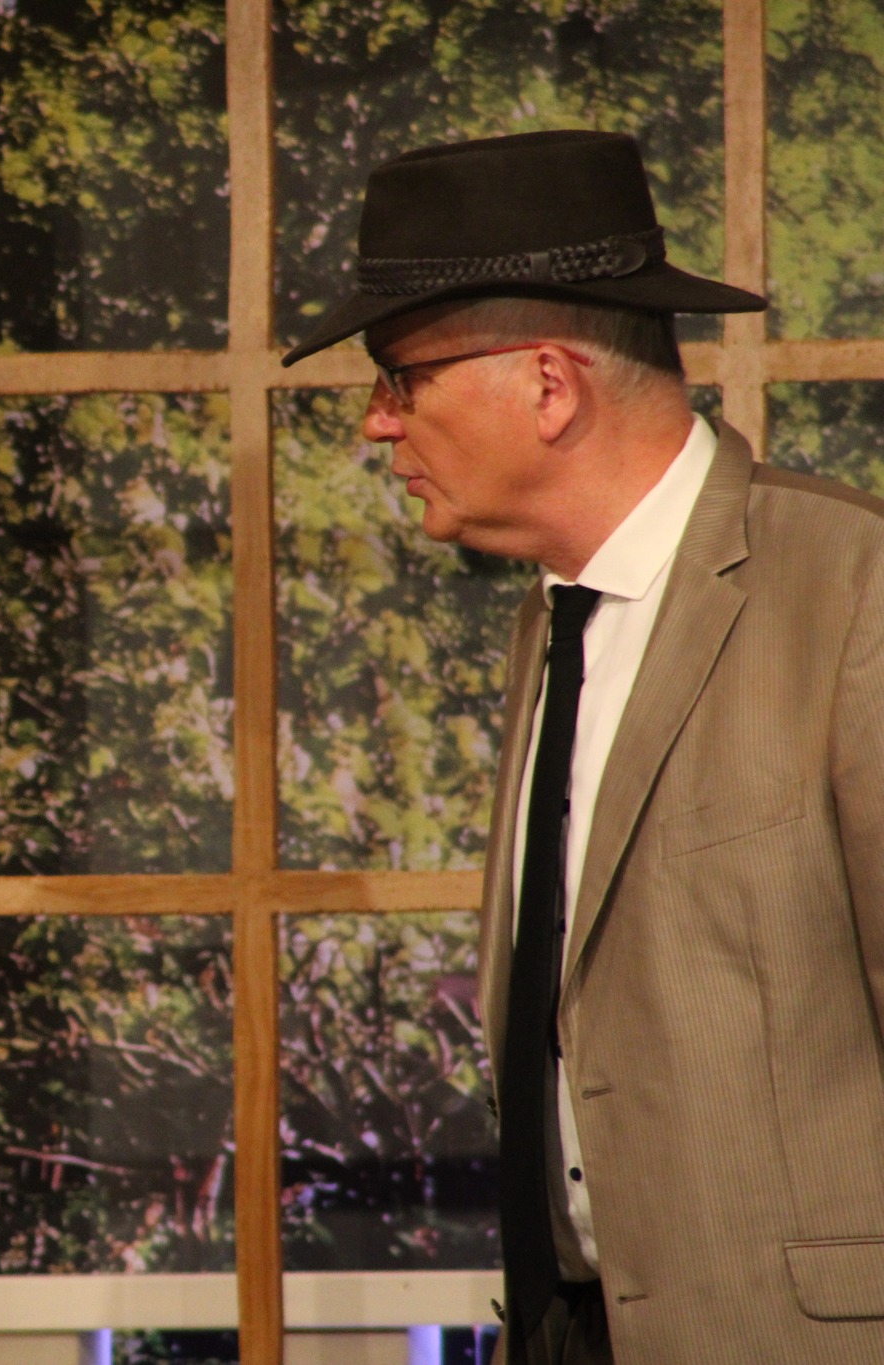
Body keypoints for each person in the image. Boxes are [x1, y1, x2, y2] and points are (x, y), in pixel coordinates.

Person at [284, 130, 884, 1364]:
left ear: (548, 384)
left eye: (399, 378)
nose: (375, 425)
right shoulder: (556, 618)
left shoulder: (851, 591)